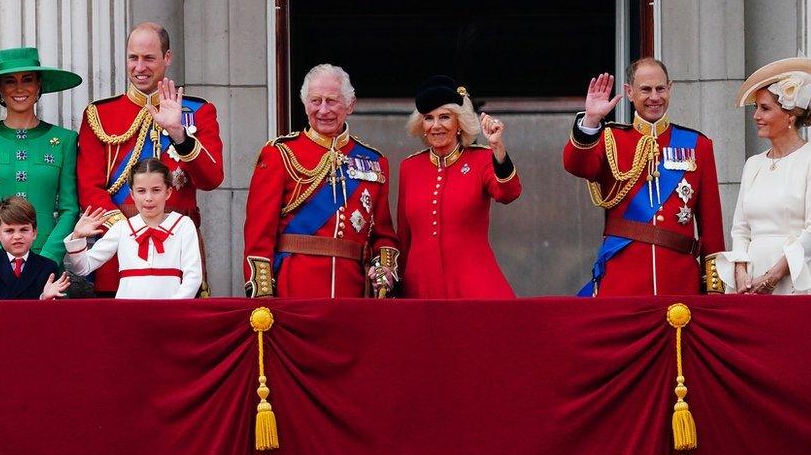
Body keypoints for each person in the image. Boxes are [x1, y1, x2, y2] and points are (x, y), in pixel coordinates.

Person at [76, 22, 222, 297]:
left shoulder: (198, 111)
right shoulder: (100, 115)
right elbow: (89, 187)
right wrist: (130, 233)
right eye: (134, 58)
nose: (140, 67)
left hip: (179, 249)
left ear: (167, 58)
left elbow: (212, 179)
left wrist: (180, 134)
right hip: (119, 255)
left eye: (149, 58)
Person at [562, 58, 725, 296]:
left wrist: (713, 287)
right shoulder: (611, 140)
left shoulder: (698, 145)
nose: (654, 97)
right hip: (623, 282)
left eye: (660, 88)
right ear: (629, 92)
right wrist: (591, 121)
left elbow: (711, 224)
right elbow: (576, 165)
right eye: (645, 89)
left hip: (679, 282)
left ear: (670, 88)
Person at [242, 63, 399, 298]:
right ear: (305, 105)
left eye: (332, 101)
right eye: (316, 101)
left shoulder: (374, 161)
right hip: (294, 287)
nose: (323, 110)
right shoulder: (280, 154)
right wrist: (263, 294)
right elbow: (258, 234)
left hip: (352, 290)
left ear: (350, 105)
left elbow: (383, 234)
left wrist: (385, 270)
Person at [0, 47, 82, 267]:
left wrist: (48, 258)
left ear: (39, 85)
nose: (19, 88)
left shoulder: (65, 139)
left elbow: (69, 208)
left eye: (27, 79)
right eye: (9, 81)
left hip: (47, 266)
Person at [397, 76, 521, 298]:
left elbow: (508, 193)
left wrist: (497, 148)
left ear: (459, 123)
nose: (436, 126)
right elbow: (404, 237)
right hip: (421, 288)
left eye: (445, 117)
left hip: (473, 284)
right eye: (429, 118)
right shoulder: (410, 167)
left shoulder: (482, 159)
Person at [715, 58, 811, 294]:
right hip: (752, 280)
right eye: (756, 108)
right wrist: (741, 272)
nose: (756, 116)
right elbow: (740, 229)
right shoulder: (753, 164)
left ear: (790, 116)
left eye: (765, 108)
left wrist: (773, 276)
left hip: (796, 276)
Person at [65, 158, 202, 299]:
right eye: (141, 191)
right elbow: (83, 267)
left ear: (168, 192)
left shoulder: (183, 225)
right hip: (128, 314)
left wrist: (173, 309)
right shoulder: (122, 228)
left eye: (156, 190)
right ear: (132, 194)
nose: (148, 198)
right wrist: (77, 236)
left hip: (170, 314)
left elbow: (193, 276)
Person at [0, 196, 71, 300]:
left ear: (34, 232)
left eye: (24, 229)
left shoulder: (48, 267)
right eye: (9, 231)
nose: (17, 236)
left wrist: (44, 298)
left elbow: (56, 313)